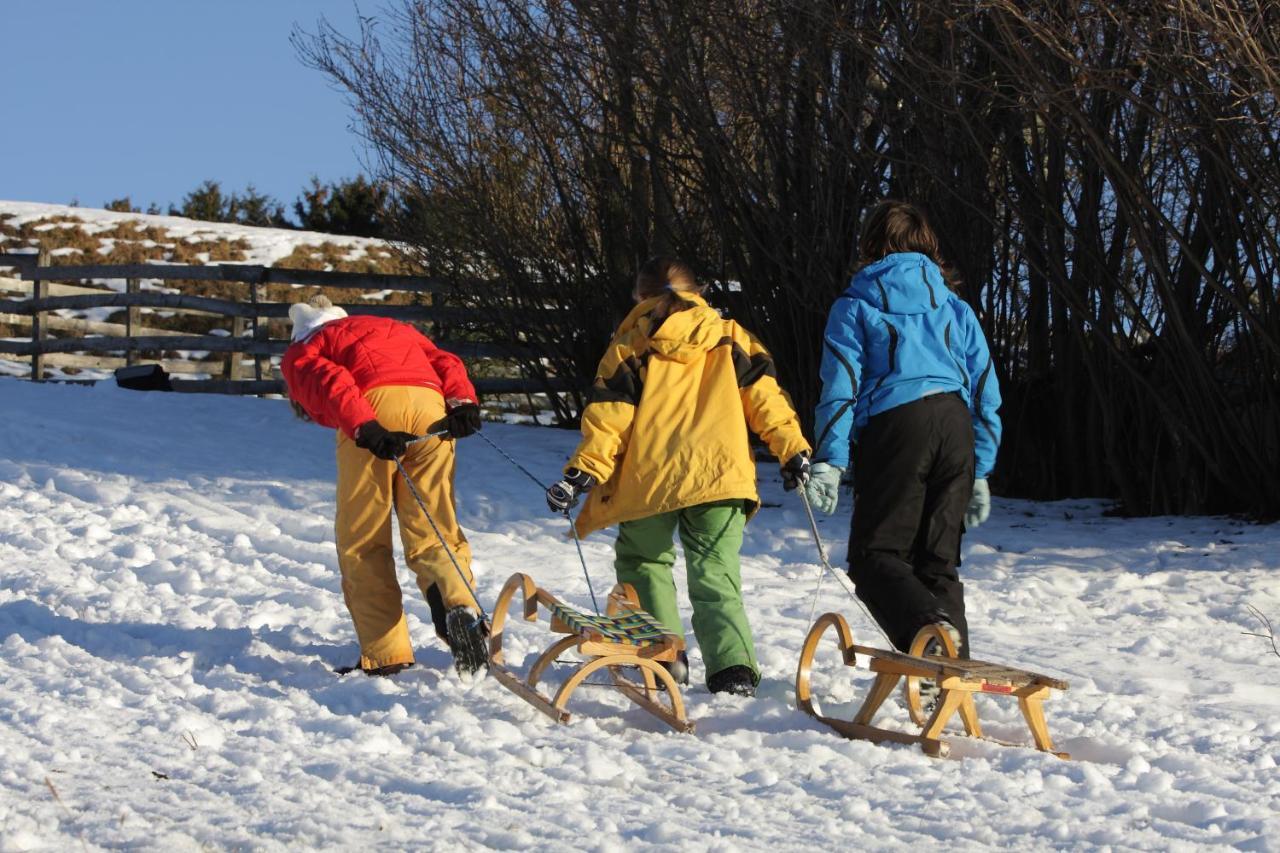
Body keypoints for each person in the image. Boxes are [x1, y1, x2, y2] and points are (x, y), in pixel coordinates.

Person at [544, 257, 812, 697]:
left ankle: (662, 656)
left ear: (639, 297)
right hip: (719, 475)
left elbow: (610, 418)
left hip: (650, 477)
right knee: (715, 571)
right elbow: (765, 398)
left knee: (644, 563)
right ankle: (733, 670)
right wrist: (793, 449)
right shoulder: (730, 336)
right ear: (699, 291)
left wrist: (581, 473)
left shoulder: (631, 344)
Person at [806, 200, 1002, 670]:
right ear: (928, 247)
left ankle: (927, 636)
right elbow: (985, 389)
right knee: (938, 564)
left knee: (876, 557)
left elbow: (841, 388)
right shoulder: (956, 308)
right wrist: (980, 465)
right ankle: (948, 679)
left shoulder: (854, 306)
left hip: (898, 427)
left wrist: (830, 461)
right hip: (955, 426)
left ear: (870, 245)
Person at [281, 294, 488, 677]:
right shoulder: (392, 328)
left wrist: (365, 425)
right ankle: (459, 604)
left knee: (363, 538)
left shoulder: (304, 348)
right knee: (434, 527)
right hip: (432, 410)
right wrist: (462, 401)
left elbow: (332, 381)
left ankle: (386, 653)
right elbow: (445, 360)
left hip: (371, 408)